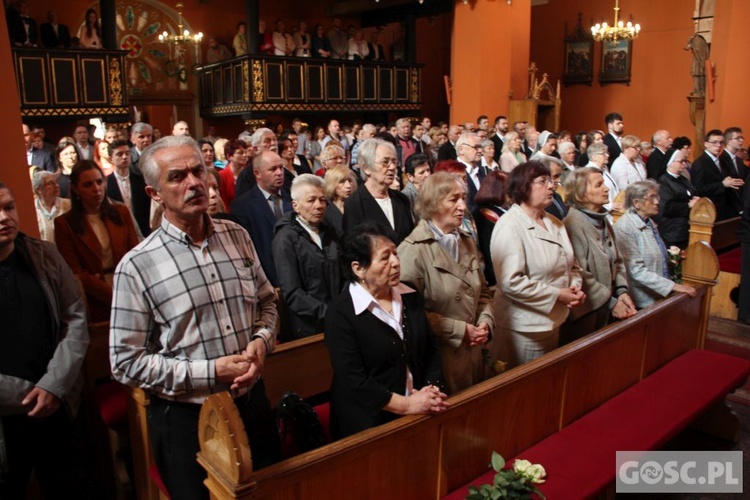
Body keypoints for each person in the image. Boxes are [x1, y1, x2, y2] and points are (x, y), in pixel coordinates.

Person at [110, 136, 280, 499]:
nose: (193, 183)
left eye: (198, 171)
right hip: (188, 420)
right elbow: (124, 362)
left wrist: (261, 341)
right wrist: (210, 371)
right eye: (177, 176)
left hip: (251, 404)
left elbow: (267, 302)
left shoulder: (237, 236)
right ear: (154, 193)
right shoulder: (137, 266)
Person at [0, 182, 88, 499]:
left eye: (9, 207)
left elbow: (75, 318)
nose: (4, 217)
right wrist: (27, 395)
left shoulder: (44, 255)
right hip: (6, 419)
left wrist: (54, 384)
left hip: (58, 404)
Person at [324, 221, 448, 439]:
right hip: (370, 423)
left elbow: (431, 349)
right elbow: (355, 380)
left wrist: (432, 390)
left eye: (395, 253)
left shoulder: (409, 294)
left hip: (420, 406)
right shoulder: (341, 313)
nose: (395, 262)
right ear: (358, 268)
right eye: (384, 257)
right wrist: (406, 405)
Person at [398, 172, 494, 394]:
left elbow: (484, 292)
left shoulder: (466, 240)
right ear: (432, 204)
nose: (462, 206)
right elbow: (410, 315)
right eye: (453, 199)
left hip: (474, 352)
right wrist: (460, 330)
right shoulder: (412, 250)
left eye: (463, 198)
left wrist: (485, 322)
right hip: (441, 357)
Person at [491, 161, 585, 367]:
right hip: (525, 327)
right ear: (523, 186)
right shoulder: (510, 226)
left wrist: (574, 288)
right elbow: (511, 282)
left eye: (551, 181)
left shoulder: (554, 222)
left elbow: (572, 265)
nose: (552, 186)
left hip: (553, 319)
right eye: (543, 181)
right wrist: (557, 294)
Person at [54, 161, 139, 323]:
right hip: (95, 297)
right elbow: (76, 272)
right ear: (75, 188)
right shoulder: (64, 224)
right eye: (88, 185)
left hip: (129, 289)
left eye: (99, 182)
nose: (96, 189)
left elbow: (135, 254)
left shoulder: (120, 212)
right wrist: (111, 295)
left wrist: (126, 291)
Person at [561, 167, 636, 343]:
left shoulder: (602, 220)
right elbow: (580, 275)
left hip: (607, 307)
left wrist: (621, 290)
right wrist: (611, 302)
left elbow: (617, 259)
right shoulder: (571, 226)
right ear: (581, 195)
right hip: (586, 316)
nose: (607, 188)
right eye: (599, 185)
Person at [272, 175, 342, 341]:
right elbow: (292, 292)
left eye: (322, 200)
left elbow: (343, 273)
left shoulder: (329, 232)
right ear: (295, 205)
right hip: (308, 327)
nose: (319, 206)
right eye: (311, 200)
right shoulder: (285, 239)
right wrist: (327, 312)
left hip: (338, 318)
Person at [614, 180, 697, 309]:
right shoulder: (625, 227)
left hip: (657, 295)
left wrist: (673, 258)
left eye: (656, 197)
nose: (657, 202)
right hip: (642, 301)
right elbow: (636, 271)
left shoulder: (649, 222)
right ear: (636, 203)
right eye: (651, 198)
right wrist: (673, 286)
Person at [231, 151, 292, 286]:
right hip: (266, 281)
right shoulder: (242, 206)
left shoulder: (294, 199)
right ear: (257, 173)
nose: (279, 173)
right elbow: (249, 252)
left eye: (281, 168)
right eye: (273, 169)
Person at [343, 138, 414, 244]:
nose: (392, 167)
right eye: (385, 162)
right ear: (367, 168)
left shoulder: (402, 199)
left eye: (394, 162)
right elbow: (354, 247)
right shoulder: (354, 203)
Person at [656, 150, 700, 249]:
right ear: (670, 163)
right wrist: (688, 205)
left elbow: (692, 193)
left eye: (685, 161)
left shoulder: (683, 180)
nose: (684, 164)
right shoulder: (663, 182)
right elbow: (666, 208)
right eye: (681, 161)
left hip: (685, 228)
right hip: (672, 231)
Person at [473, 170, 510, 287]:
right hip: (499, 278)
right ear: (498, 190)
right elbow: (489, 250)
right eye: (509, 189)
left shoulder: (500, 211)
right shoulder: (486, 215)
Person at [32, 170, 70, 243]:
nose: (56, 185)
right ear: (38, 190)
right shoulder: (32, 211)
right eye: (50, 183)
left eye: (56, 182)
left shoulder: (68, 205)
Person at [323, 164, 356, 241]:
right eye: (342, 182)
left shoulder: (359, 208)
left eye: (350, 181)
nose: (348, 186)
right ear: (332, 184)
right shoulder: (326, 214)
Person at [218, 139, 248, 209]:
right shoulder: (222, 176)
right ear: (229, 156)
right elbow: (223, 202)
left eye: (245, 152)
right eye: (240, 153)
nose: (245, 155)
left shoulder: (249, 173)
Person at [401, 153, 431, 218]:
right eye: (422, 172)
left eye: (428, 170)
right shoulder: (406, 196)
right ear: (410, 177)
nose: (427, 175)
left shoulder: (433, 190)